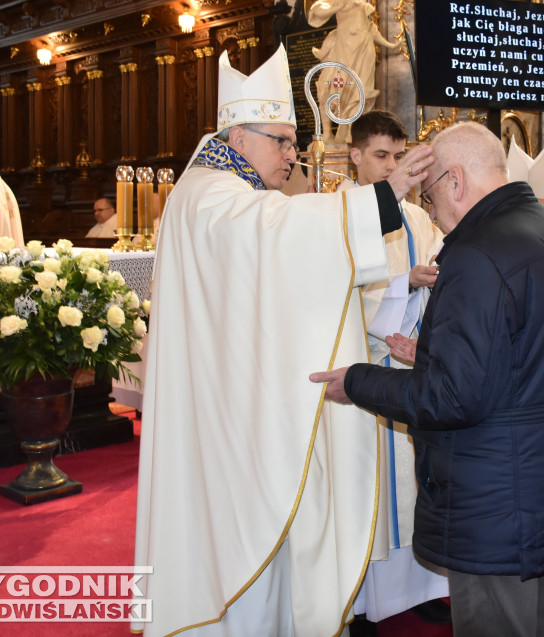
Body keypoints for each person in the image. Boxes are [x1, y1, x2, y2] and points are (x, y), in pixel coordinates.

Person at [131, 44, 434, 637]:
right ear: (238, 136)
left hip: (229, 391)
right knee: (238, 526)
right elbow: (278, 235)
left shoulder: (227, 192)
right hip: (222, 411)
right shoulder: (212, 196)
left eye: (294, 142)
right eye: (282, 141)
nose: (293, 155)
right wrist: (383, 194)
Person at [311, 122, 544, 637]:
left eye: (430, 191)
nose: (434, 210)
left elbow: (450, 399)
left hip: (497, 500)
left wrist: (357, 381)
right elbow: (529, 360)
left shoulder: (476, 254)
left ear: (456, 181)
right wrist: (439, 353)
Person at [341, 110, 450, 629]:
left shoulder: (419, 217)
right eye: (380, 156)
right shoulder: (336, 212)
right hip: (363, 364)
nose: (389, 167)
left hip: (410, 362)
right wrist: (406, 283)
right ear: (355, 155)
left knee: (413, 480)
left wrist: (425, 305)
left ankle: (418, 586)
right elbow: (335, 291)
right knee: (368, 491)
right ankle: (361, 600)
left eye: (397, 157)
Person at [307, 0, 398, 146]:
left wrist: (392, 45)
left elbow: (371, 29)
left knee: (361, 90)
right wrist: (336, 7)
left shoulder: (362, 5)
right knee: (332, 88)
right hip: (345, 48)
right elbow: (317, 12)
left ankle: (353, 132)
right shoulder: (335, 2)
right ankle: (331, 133)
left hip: (364, 48)